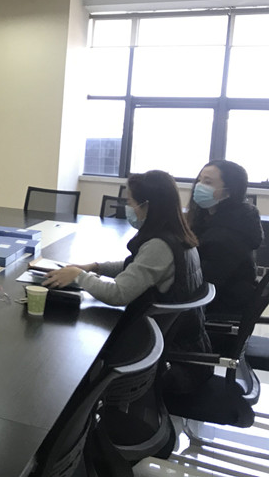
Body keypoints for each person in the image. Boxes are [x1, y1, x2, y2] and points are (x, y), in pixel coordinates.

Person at [43, 170, 212, 393]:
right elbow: (137, 267)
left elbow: (118, 294)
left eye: (131, 202)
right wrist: (95, 267)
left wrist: (79, 276)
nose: (128, 208)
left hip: (154, 356)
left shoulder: (159, 246)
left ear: (147, 206)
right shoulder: (178, 235)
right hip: (180, 343)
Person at [187, 160, 264, 319]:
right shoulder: (210, 219)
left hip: (219, 306)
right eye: (199, 180)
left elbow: (202, 280)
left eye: (208, 182)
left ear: (229, 192)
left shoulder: (229, 234)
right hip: (211, 300)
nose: (199, 186)